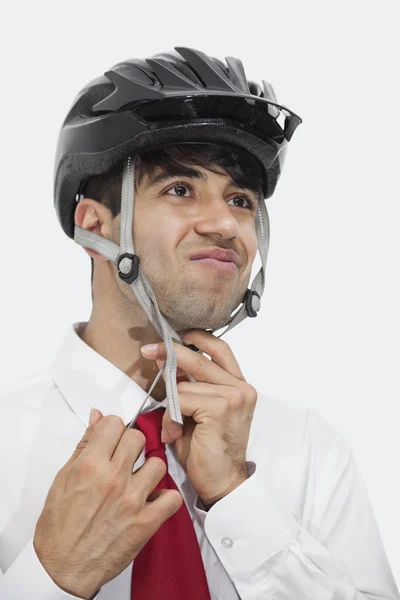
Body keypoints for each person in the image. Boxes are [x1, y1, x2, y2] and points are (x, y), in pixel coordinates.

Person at [0, 46, 398, 600]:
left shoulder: (309, 449)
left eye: (240, 199)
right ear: (95, 224)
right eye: (180, 190)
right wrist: (51, 578)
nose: (223, 224)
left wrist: (238, 499)